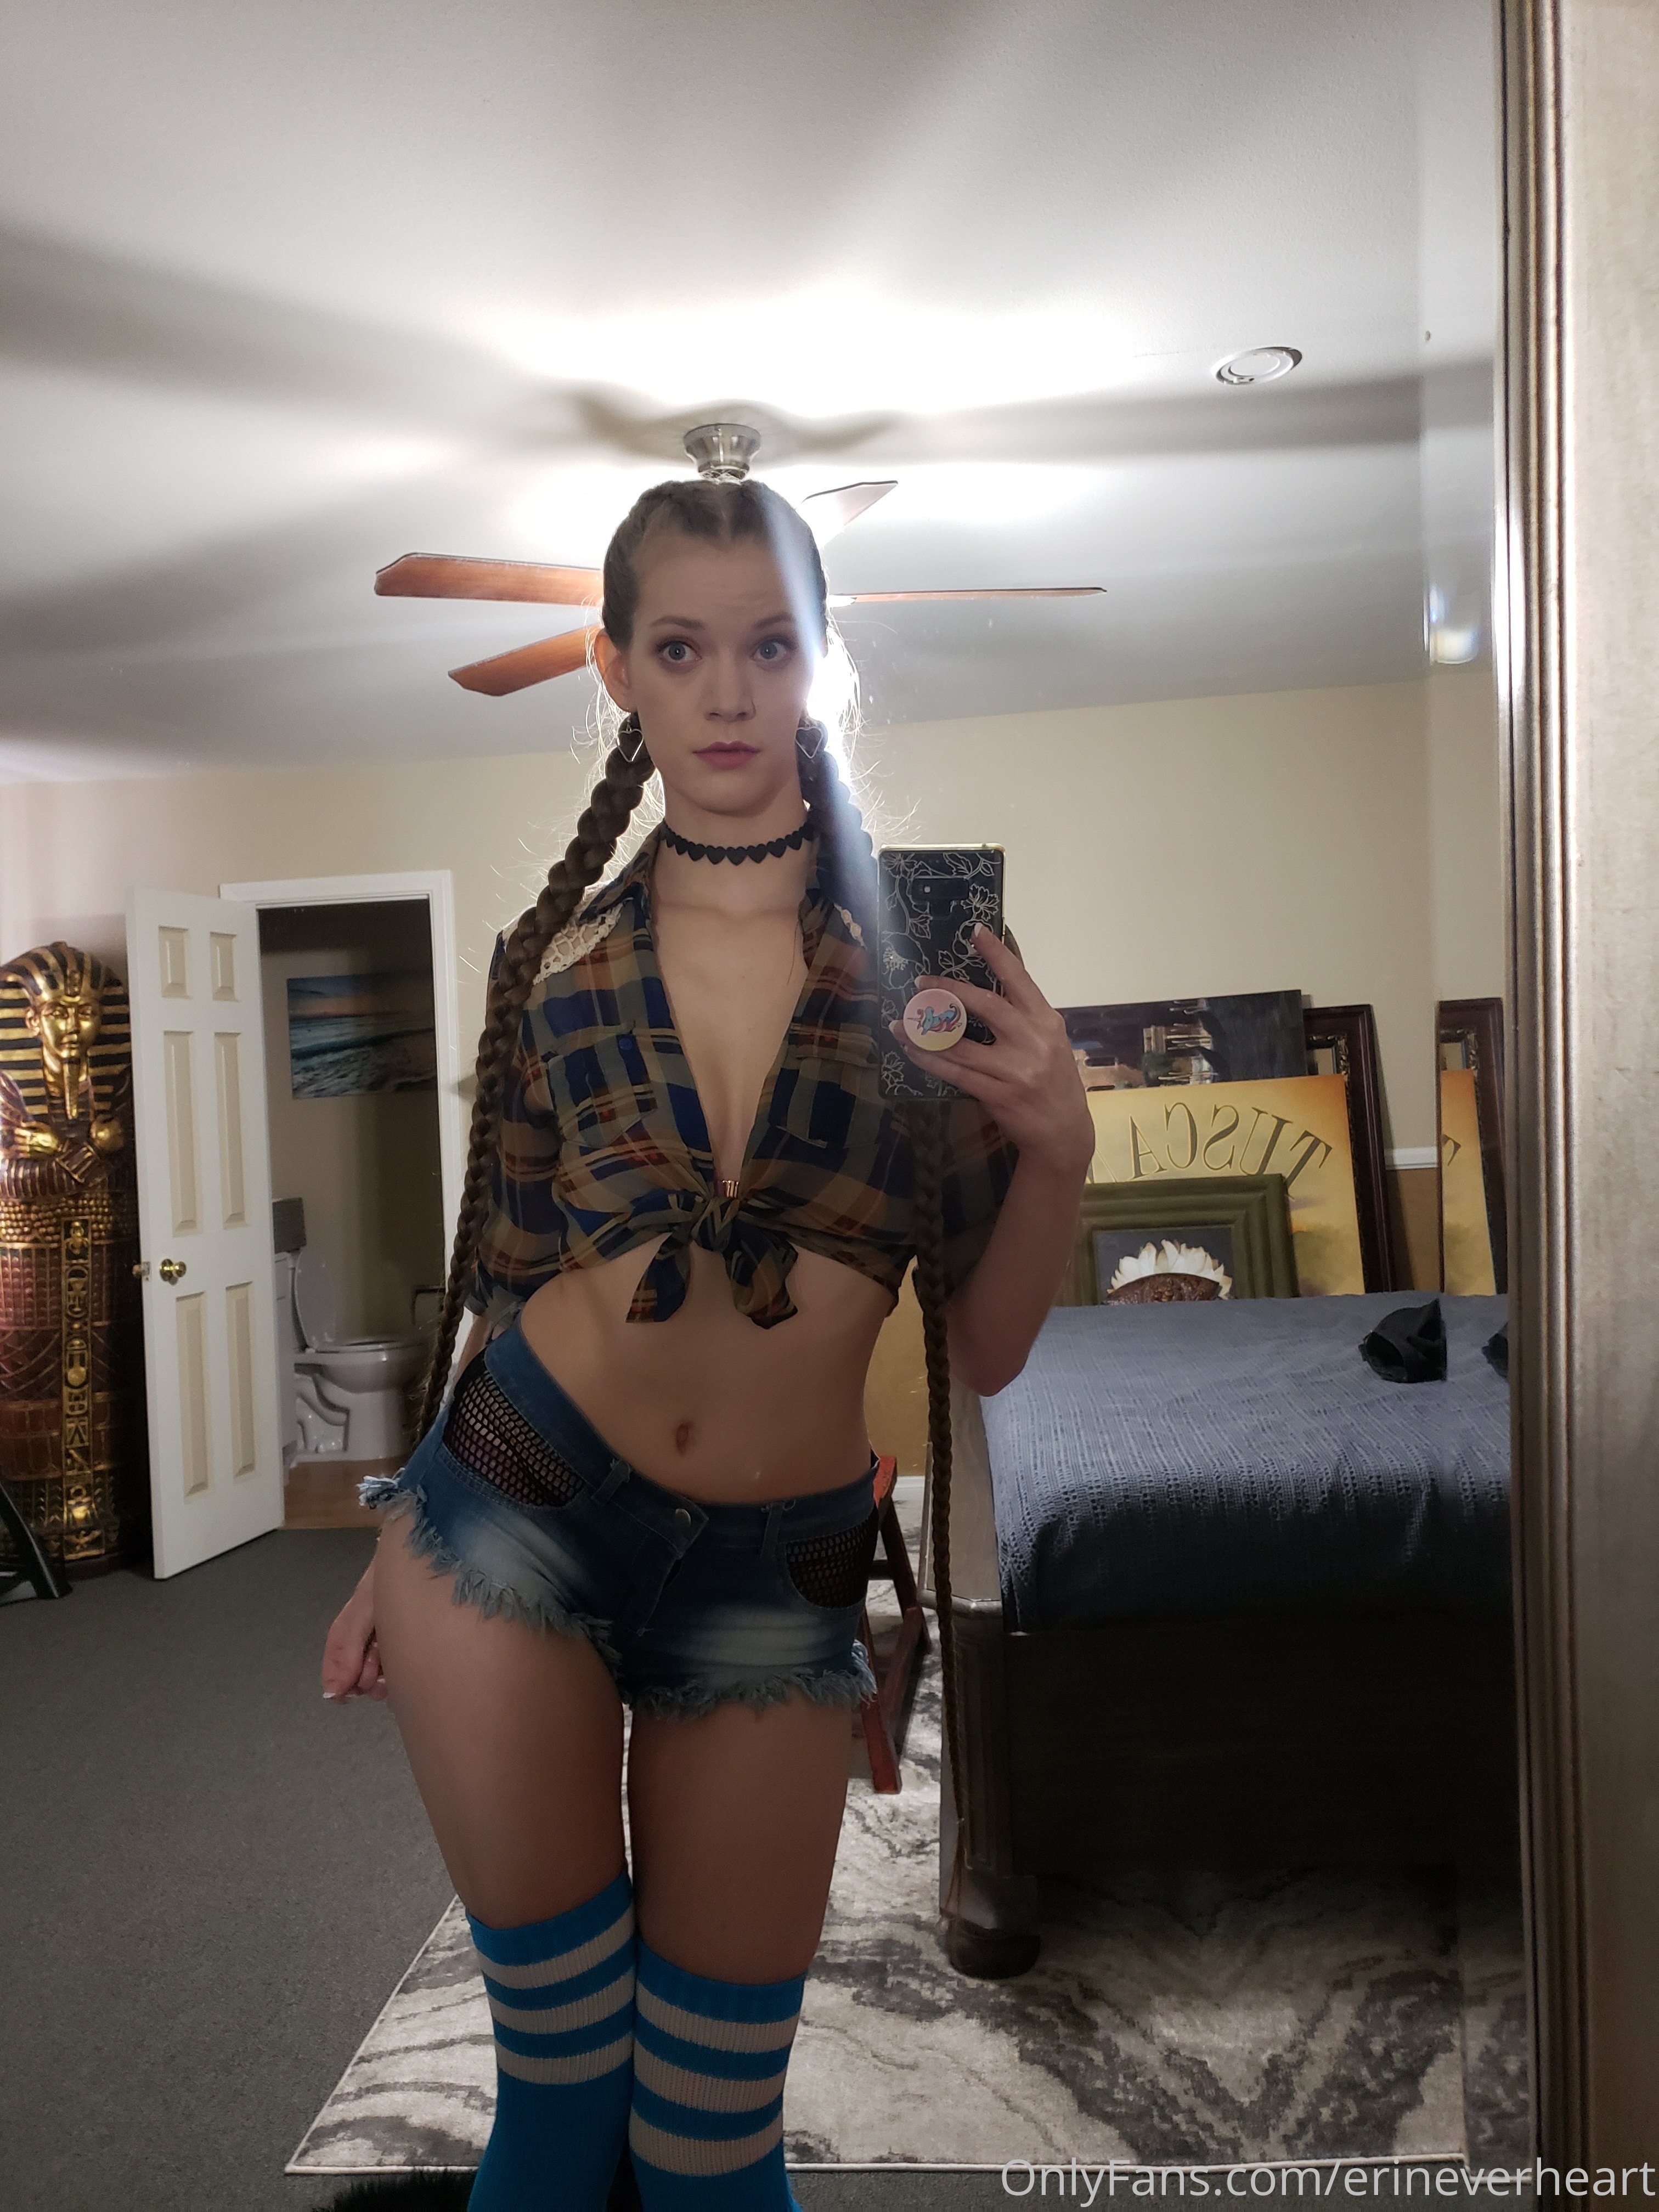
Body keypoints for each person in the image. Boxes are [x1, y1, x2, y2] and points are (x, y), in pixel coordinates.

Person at [320, 478, 1093, 2209]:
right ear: (616, 670)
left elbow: (987, 1351)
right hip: (505, 1511)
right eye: (680, 649)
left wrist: (1061, 1146)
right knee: (558, 2098)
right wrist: (390, 1537)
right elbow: (510, 1279)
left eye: (770, 645)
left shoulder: (934, 964)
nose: (730, 693)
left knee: (710, 2137)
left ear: (823, 660)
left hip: (775, 1572)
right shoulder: (555, 961)